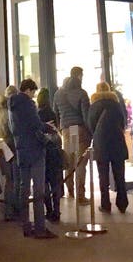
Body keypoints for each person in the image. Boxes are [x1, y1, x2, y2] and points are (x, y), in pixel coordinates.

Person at [8, 79, 57, 240]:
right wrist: (48, 127)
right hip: (35, 150)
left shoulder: (12, 105)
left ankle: (26, 225)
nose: (34, 95)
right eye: (33, 92)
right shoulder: (28, 104)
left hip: (21, 149)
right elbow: (35, 125)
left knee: (24, 188)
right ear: (28, 90)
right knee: (38, 190)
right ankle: (40, 228)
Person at [87, 81, 128, 214]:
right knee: (120, 175)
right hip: (117, 141)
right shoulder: (116, 104)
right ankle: (122, 203)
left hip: (101, 142)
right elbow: (123, 121)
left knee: (103, 175)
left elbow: (90, 124)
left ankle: (105, 204)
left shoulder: (94, 105)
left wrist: (96, 135)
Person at [53, 67, 90, 203]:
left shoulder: (58, 94)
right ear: (79, 76)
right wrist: (90, 130)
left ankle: (70, 191)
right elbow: (86, 115)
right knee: (80, 162)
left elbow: (55, 112)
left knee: (69, 161)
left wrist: (60, 127)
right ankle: (80, 194)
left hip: (66, 129)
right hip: (77, 129)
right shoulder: (81, 93)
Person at [0, 85, 19, 220]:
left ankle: (8, 211)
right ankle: (13, 210)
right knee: (14, 180)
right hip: (12, 147)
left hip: (1, 148)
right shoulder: (11, 111)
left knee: (8, 180)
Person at [36, 88, 63, 223]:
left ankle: (49, 210)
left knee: (44, 181)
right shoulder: (52, 113)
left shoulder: (37, 115)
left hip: (43, 150)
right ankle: (57, 211)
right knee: (55, 182)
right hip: (55, 149)